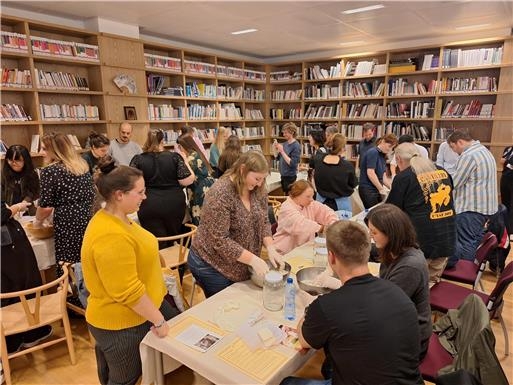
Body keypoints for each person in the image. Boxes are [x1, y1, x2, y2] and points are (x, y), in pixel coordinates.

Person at [281, 220, 423, 385]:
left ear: (331, 257)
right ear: (367, 252)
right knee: (330, 364)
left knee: (288, 382)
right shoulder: (397, 292)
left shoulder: (327, 307)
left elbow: (304, 340)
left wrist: (307, 314)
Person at [81, 160, 178, 385]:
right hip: (122, 323)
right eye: (140, 192)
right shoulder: (110, 235)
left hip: (145, 308)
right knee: (125, 379)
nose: (145, 196)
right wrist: (159, 321)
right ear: (119, 195)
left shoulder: (119, 218)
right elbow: (128, 292)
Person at [187, 151, 283, 297]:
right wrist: (253, 260)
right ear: (242, 169)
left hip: (240, 263)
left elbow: (263, 220)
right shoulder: (221, 193)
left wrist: (270, 247)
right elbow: (220, 240)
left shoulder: (258, 189)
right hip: (211, 264)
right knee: (225, 307)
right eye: (257, 178)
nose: (260, 183)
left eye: (263, 179)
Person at [366, 204, 431, 360]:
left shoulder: (409, 266)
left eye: (374, 232)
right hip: (397, 323)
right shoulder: (395, 250)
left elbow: (382, 308)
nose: (371, 236)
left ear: (391, 233)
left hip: (410, 341)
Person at [386, 142, 456, 285]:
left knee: (412, 286)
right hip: (446, 238)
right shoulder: (442, 171)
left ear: (398, 159)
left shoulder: (404, 177)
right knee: (431, 284)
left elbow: (391, 212)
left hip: (421, 243)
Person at [34, 133, 95, 287]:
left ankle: (71, 301)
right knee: (86, 261)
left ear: (55, 150)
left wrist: (37, 221)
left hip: (67, 224)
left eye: (44, 149)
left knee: (68, 264)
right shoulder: (82, 166)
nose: (42, 152)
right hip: (87, 219)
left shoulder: (50, 171)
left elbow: (46, 207)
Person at [1, 201, 53, 353]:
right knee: (19, 286)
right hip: (7, 246)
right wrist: (17, 207)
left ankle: (27, 333)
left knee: (17, 286)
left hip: (9, 243)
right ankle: (23, 334)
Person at [130, 130, 195, 246]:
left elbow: (130, 182)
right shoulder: (174, 157)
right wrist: (185, 161)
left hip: (149, 203)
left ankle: (159, 260)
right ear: (162, 141)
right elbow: (187, 180)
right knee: (172, 237)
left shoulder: (138, 159)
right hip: (174, 204)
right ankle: (173, 260)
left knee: (153, 239)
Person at [447, 131, 498, 266]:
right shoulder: (484, 150)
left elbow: (455, 182)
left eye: (453, 147)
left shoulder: (469, 156)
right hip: (485, 207)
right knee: (473, 240)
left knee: (465, 242)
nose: (454, 151)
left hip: (471, 208)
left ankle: (463, 272)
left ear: (460, 142)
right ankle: (469, 268)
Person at [273, 180, 338, 255]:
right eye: (308, 197)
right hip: (285, 252)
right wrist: (322, 228)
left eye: (312, 196)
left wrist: (333, 224)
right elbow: (301, 224)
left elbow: (326, 211)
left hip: (304, 249)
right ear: (296, 195)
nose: (311, 200)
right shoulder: (287, 208)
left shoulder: (310, 204)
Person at [313, 134, 357, 219]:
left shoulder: (317, 161)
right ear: (342, 148)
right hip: (340, 207)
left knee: (322, 229)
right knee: (340, 231)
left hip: (321, 203)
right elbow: (353, 184)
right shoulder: (347, 166)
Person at [177, 133, 215, 225]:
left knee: (198, 217)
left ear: (183, 146)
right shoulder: (197, 154)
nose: (179, 149)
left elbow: (184, 176)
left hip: (198, 190)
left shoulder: (190, 158)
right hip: (207, 187)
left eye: (179, 146)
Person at [358, 133, 397, 209]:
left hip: (375, 188)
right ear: (383, 141)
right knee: (374, 213)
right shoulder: (373, 152)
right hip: (368, 189)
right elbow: (370, 173)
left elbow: (383, 175)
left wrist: (390, 187)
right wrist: (381, 189)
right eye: (389, 146)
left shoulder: (382, 155)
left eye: (392, 148)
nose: (390, 149)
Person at [1, 144, 40, 216]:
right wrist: (10, 209)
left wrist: (24, 202)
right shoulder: (3, 174)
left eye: (17, 160)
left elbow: (34, 192)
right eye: (10, 160)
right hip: (9, 212)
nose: (13, 163)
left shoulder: (32, 174)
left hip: (28, 211)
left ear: (25, 160)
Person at [272, 122, 301, 195]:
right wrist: (274, 148)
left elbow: (293, 164)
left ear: (292, 132)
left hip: (290, 177)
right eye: (283, 133)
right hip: (283, 175)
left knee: (290, 197)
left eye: (286, 133)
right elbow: (277, 157)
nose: (284, 134)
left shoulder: (296, 146)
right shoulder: (285, 144)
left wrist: (282, 151)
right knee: (285, 195)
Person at [500, 145, 513, 236]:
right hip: (505, 177)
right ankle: (505, 227)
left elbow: (505, 162)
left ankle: (511, 230)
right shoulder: (508, 149)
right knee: (505, 203)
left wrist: (506, 163)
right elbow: (502, 160)